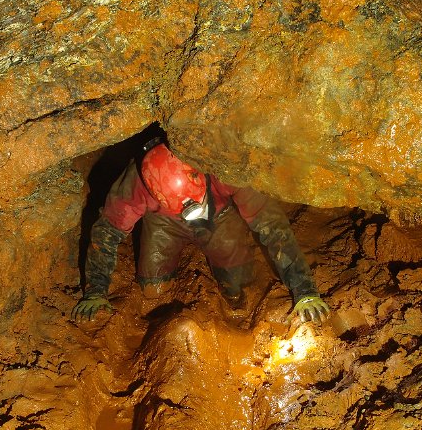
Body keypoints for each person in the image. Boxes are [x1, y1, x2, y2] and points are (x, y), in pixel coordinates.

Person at [72, 136, 330, 323]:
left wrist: (304, 289)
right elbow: (106, 232)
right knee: (153, 290)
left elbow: (272, 225)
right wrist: (96, 290)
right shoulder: (137, 184)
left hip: (220, 216)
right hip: (164, 222)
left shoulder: (225, 168)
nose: (190, 212)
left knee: (241, 289)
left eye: (193, 205)